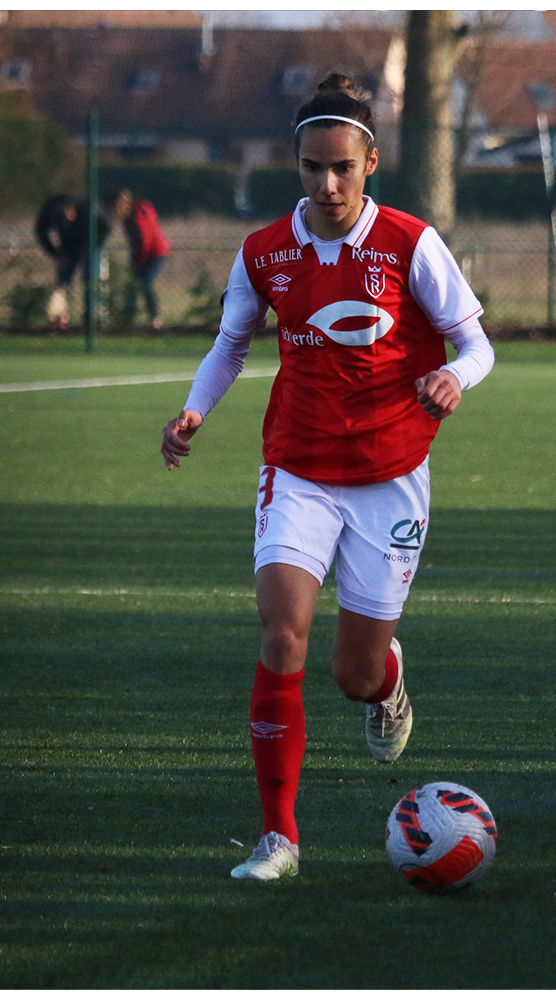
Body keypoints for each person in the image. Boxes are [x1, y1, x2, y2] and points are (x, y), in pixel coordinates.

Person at [160, 74, 495, 881]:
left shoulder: (411, 243)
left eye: (343, 167)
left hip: (391, 476)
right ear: (298, 164)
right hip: (298, 468)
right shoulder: (265, 251)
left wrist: (454, 377)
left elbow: (477, 345)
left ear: (371, 163)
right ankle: (279, 839)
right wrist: (195, 409)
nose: (328, 184)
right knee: (282, 634)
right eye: (313, 167)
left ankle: (388, 681)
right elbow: (231, 345)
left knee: (353, 675)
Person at [33, 193, 109, 328]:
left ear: (72, 211)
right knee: (62, 282)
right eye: (62, 223)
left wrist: (91, 248)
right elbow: (41, 232)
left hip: (90, 245)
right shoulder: (50, 209)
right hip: (68, 247)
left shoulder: (88, 208)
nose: (66, 223)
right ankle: (59, 318)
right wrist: (56, 254)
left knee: (91, 280)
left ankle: (92, 319)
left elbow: (105, 227)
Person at [106, 188, 171, 329]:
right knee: (134, 284)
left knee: (146, 282)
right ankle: (129, 316)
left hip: (155, 252)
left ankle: (154, 317)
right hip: (141, 252)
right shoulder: (129, 216)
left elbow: (144, 242)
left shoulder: (137, 217)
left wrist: (137, 262)